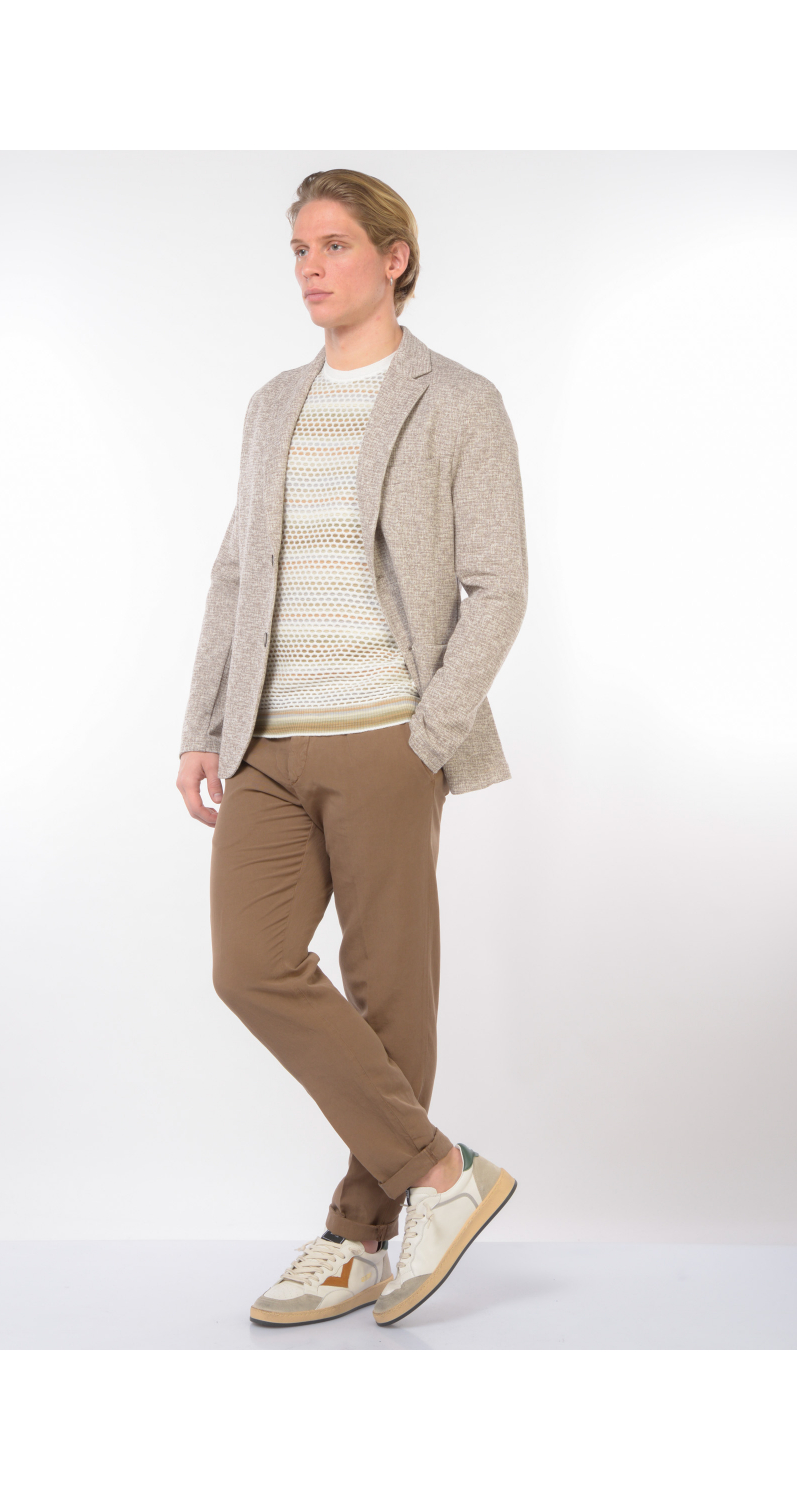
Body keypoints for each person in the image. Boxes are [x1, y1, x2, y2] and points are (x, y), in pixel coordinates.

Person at [177, 168, 528, 1328]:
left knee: (390, 994)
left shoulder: (459, 400)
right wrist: (203, 725)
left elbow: (499, 583)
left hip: (387, 735)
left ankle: (355, 1237)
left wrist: (430, 733)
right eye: (298, 249)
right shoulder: (272, 403)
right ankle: (442, 1175)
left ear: (394, 258)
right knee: (250, 965)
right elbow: (236, 572)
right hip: (267, 743)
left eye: (333, 244)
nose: (311, 268)